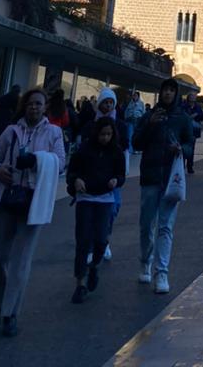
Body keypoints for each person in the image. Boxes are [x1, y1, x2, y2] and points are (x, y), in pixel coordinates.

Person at [0, 87, 66, 337]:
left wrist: (37, 159)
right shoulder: (11, 131)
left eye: (39, 103)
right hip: (6, 199)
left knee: (21, 260)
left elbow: (61, 163)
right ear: (25, 106)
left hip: (33, 201)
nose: (34, 107)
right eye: (31, 103)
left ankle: (10, 313)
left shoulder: (54, 133)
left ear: (45, 107)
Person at [133, 79, 194, 294]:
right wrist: (150, 125)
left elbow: (190, 144)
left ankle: (162, 273)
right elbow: (137, 142)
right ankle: (145, 262)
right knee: (146, 224)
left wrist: (181, 149)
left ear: (176, 94)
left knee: (166, 226)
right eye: (165, 90)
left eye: (171, 90)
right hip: (150, 176)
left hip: (171, 178)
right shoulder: (149, 116)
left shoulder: (183, 118)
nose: (168, 93)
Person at [67, 116, 126, 303]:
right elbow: (72, 170)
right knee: (83, 240)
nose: (105, 138)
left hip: (105, 198)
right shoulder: (84, 149)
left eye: (108, 134)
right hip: (85, 198)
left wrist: (116, 180)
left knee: (101, 239)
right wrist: (76, 180)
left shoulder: (116, 152)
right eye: (102, 134)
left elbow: (121, 174)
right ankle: (80, 283)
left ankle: (94, 265)